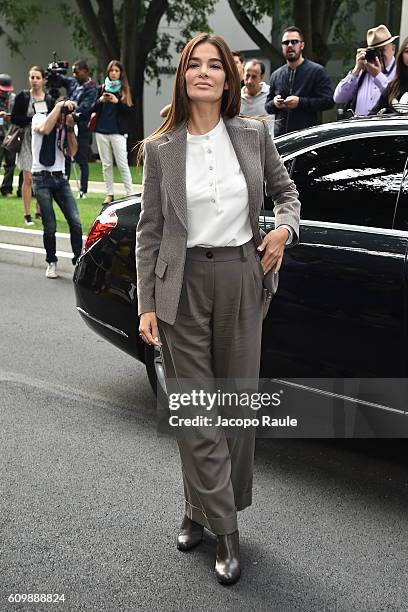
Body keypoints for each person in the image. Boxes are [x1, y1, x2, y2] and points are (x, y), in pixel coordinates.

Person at [136, 32, 300, 585]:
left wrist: (283, 229)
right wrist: (146, 304)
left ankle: (194, 509)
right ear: (183, 78)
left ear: (230, 80)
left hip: (241, 279)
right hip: (179, 285)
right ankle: (227, 532)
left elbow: (288, 194)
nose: (204, 73)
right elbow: (150, 232)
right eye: (194, 65)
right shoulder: (160, 148)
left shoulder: (254, 135)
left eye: (215, 66)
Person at [31, 98, 83, 278]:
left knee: (75, 221)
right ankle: (51, 262)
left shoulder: (67, 123)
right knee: (50, 225)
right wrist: (60, 106)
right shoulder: (39, 118)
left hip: (60, 178)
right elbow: (45, 129)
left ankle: (78, 260)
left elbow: (72, 152)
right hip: (41, 177)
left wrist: (69, 128)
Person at [265, 26, 334, 136]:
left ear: (302, 45)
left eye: (294, 42)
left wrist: (300, 102)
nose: (290, 45)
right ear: (282, 47)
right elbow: (268, 106)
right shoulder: (276, 75)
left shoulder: (317, 71)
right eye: (286, 43)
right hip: (281, 138)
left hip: (307, 137)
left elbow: (328, 101)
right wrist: (275, 103)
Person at [11, 66, 53, 224]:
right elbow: (15, 118)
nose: (35, 81)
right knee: (27, 178)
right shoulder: (22, 97)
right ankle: (27, 213)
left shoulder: (48, 99)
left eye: (38, 78)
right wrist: (33, 119)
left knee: (41, 177)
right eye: (32, 77)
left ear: (43, 80)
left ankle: (39, 210)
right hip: (27, 139)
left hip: (43, 140)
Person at [91, 60, 134, 205]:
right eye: (111, 70)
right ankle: (109, 194)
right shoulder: (102, 88)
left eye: (116, 70)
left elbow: (129, 111)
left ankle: (130, 193)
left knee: (122, 163)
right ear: (108, 72)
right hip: (101, 131)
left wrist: (117, 102)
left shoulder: (124, 89)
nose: (114, 73)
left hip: (118, 132)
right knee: (106, 164)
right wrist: (101, 100)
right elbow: (92, 109)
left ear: (120, 73)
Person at [333, 24, 398, 116]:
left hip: (386, 129)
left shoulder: (401, 72)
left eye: (382, 50)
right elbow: (338, 97)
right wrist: (356, 70)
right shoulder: (363, 72)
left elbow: (398, 102)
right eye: (375, 51)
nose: (379, 55)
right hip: (360, 129)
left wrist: (378, 76)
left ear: (393, 49)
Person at [60, 60, 98, 198]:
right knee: (67, 157)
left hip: (82, 127)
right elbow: (61, 80)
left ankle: (83, 190)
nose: (74, 75)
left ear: (85, 71)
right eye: (73, 72)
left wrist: (72, 111)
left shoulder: (92, 88)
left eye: (77, 72)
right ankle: (65, 187)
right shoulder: (73, 83)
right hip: (69, 126)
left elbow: (86, 108)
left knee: (82, 159)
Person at [370, 37, 408, 115]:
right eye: (407, 51)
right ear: (401, 55)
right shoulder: (393, 87)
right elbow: (372, 117)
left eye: (382, 50)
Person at [0, 74, 16, 197]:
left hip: (10, 135)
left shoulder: (13, 99)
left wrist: (8, 116)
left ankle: (7, 189)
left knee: (10, 164)